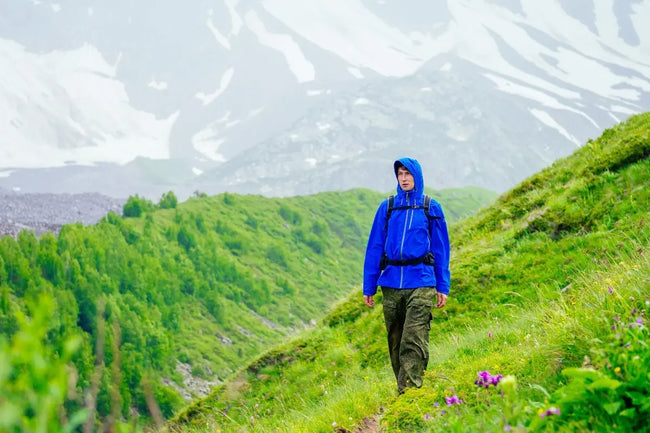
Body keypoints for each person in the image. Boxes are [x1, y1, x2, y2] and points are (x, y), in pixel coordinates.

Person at [363, 157, 451, 394]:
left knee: (413, 338)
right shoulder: (388, 207)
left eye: (408, 174)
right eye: (400, 174)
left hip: (421, 281)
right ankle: (404, 388)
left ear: (417, 176)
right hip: (391, 283)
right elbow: (374, 246)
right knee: (395, 341)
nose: (404, 178)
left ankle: (410, 394)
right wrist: (369, 286)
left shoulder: (430, 207)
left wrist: (443, 286)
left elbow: (441, 249)